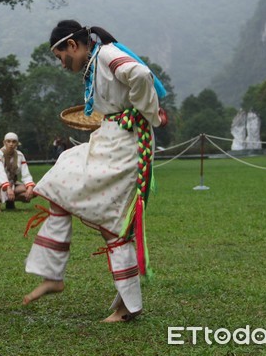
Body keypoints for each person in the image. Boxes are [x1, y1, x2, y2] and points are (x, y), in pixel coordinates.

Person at [22, 20, 167, 322]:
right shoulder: (96, 63)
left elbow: (141, 74)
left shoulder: (107, 55)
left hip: (126, 145)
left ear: (72, 45)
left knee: (112, 226)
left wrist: (142, 112)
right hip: (110, 140)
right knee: (57, 186)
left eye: (61, 57)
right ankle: (54, 275)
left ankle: (126, 306)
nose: (62, 64)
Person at [0, 132, 35, 213]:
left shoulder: (20, 155)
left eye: (14, 142)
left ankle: (10, 202)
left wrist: (30, 187)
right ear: (4, 142)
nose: (11, 144)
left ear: (17, 143)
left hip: (12, 183)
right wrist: (8, 188)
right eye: (8, 141)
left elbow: (26, 173)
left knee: (34, 190)